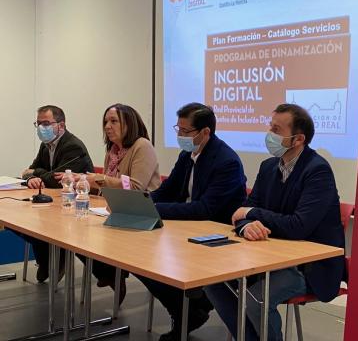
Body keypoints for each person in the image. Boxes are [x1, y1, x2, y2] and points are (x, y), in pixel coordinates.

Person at [205, 104, 346, 341]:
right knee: (213, 281)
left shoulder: (317, 170)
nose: (269, 133)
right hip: (269, 258)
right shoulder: (268, 167)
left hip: (310, 266)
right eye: (270, 126)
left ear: (298, 139)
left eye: (276, 129)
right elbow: (242, 215)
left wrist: (252, 213)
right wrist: (247, 224)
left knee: (255, 299)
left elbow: (298, 226)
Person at [136, 102, 247, 341]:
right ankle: (188, 310)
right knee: (138, 258)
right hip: (185, 228)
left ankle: (194, 307)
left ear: (205, 132)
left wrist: (154, 209)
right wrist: (143, 202)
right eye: (178, 129)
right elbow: (167, 190)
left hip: (216, 236)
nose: (179, 136)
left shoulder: (226, 161)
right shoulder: (188, 154)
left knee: (155, 259)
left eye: (185, 132)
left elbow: (204, 209)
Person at [60, 103, 161, 305]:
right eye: (106, 121)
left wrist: (99, 179)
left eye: (114, 121)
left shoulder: (142, 146)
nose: (107, 126)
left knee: (90, 237)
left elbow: (135, 188)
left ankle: (112, 273)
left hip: (144, 216)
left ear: (129, 123)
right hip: (116, 211)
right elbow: (107, 186)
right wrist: (84, 181)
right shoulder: (113, 150)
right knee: (76, 236)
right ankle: (109, 273)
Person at [18, 105, 94, 283]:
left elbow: (58, 180)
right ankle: (49, 261)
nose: (41, 128)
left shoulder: (73, 146)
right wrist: (32, 178)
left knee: (38, 223)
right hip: (55, 203)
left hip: (77, 206)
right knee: (25, 224)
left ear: (61, 125)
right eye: (38, 124)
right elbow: (30, 171)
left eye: (46, 123)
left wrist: (37, 173)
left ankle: (55, 260)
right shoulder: (46, 146)